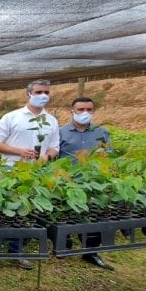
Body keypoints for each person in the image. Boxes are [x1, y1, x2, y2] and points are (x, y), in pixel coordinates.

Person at [0, 79, 59, 270]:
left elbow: (55, 147)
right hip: (10, 171)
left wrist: (47, 155)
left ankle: (17, 252)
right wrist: (19, 151)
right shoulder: (12, 117)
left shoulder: (51, 121)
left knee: (27, 213)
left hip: (37, 174)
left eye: (46, 92)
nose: (43, 95)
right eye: (38, 92)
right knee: (2, 209)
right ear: (28, 94)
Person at [59, 97, 114, 271]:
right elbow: (53, 156)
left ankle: (90, 252)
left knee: (95, 214)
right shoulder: (60, 132)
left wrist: (106, 158)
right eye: (81, 109)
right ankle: (64, 246)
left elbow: (109, 153)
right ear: (72, 111)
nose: (85, 113)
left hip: (94, 182)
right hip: (68, 181)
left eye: (89, 110)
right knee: (66, 214)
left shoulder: (102, 132)